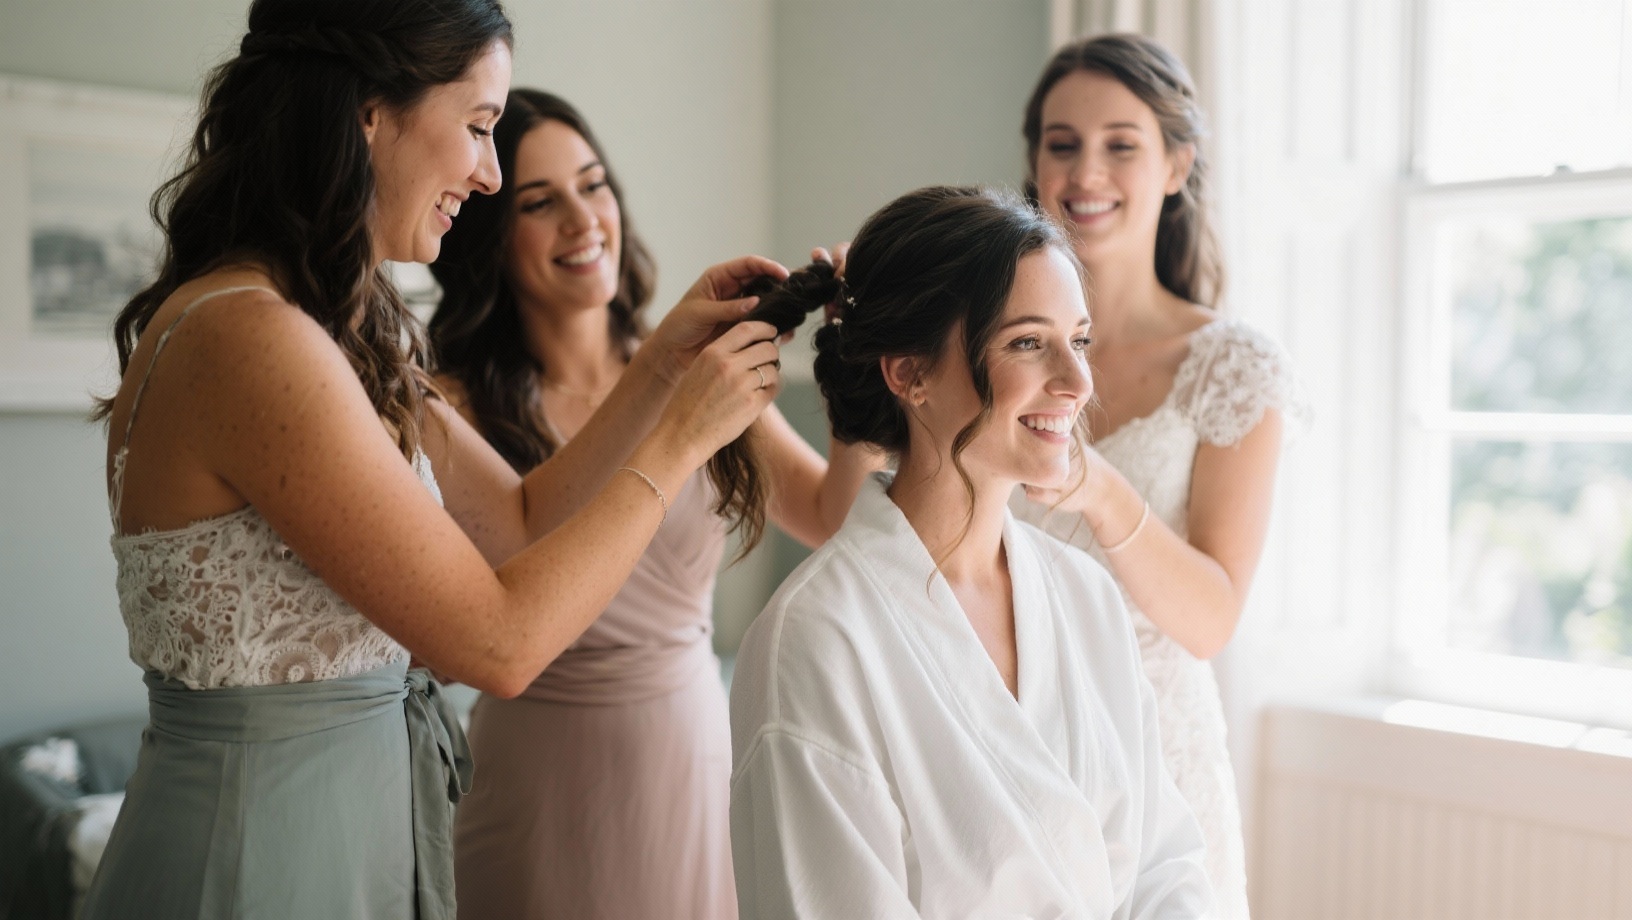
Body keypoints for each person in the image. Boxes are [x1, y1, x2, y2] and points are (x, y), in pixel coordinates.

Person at [83, 2, 788, 917]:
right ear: (370, 111)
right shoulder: (249, 338)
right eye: (480, 126)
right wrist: (682, 436)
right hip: (257, 860)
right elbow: (500, 644)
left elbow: (523, 524)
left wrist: (659, 366)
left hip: (351, 840)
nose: (489, 174)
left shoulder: (337, 335)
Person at [427, 88, 876, 920]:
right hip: (539, 783)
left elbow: (828, 514)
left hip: (691, 757)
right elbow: (502, 570)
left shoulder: (701, 370)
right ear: (489, 235)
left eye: (593, 186)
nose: (582, 220)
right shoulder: (451, 410)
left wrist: (852, 363)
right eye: (539, 202)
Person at [728, 185, 1215, 919]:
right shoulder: (816, 642)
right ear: (909, 373)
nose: (1079, 381)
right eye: (1027, 342)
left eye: (1078, 340)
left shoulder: (1084, 595)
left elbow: (1166, 863)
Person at [1013, 33, 1310, 920]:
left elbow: (1213, 615)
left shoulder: (1232, 367)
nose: (1085, 171)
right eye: (1061, 144)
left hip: (1157, 770)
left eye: (1121, 145)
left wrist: (1102, 491)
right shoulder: (984, 347)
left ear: (1176, 164)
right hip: (1008, 745)